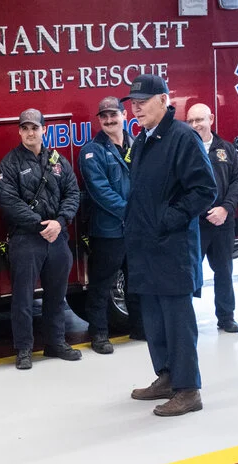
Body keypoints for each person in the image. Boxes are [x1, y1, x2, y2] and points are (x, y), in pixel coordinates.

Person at [122, 74, 217, 417]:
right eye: (133, 102)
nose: (136, 107)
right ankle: (166, 375)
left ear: (163, 100)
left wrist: (167, 220)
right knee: (154, 320)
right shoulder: (144, 140)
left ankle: (188, 389)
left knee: (177, 320)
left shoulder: (182, 138)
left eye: (142, 101)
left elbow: (205, 190)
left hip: (172, 247)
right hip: (145, 246)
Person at [0, 108, 82, 370]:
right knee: (23, 298)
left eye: (35, 127)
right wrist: (39, 224)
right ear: (19, 131)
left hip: (57, 237)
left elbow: (73, 193)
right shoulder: (9, 163)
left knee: (57, 295)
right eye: (25, 128)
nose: (30, 132)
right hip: (26, 239)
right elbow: (8, 201)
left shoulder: (58, 160)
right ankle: (24, 349)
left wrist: (59, 222)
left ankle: (55, 343)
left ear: (44, 130)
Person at [77, 97, 144, 354]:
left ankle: (139, 327)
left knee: (137, 280)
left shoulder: (139, 145)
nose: (108, 120)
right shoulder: (91, 151)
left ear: (124, 115)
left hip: (136, 229)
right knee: (101, 285)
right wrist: (130, 213)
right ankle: (100, 334)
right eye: (103, 116)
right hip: (108, 231)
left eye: (113, 114)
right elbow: (100, 191)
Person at [186, 103, 238, 333]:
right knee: (190, 272)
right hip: (196, 224)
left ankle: (226, 317)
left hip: (223, 222)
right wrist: (202, 211)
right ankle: (186, 319)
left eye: (199, 120)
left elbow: (237, 183)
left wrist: (225, 209)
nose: (195, 125)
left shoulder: (227, 150)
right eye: (190, 121)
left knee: (224, 271)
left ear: (211, 118)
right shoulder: (185, 149)